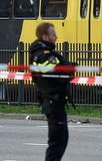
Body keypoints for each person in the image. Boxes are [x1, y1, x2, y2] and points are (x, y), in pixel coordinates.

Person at [29, 22, 76, 161]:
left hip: (56, 101)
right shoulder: (41, 55)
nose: (56, 37)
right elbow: (60, 74)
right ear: (45, 36)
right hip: (52, 101)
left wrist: (69, 68)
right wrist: (69, 69)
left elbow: (63, 68)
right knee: (57, 142)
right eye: (53, 34)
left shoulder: (47, 52)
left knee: (61, 140)